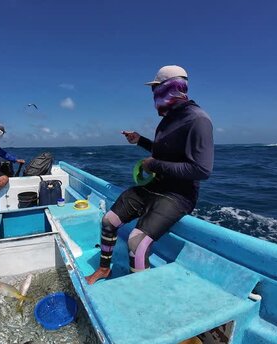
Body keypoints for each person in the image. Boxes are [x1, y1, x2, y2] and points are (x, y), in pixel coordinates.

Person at [85, 65, 214, 285]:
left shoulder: (198, 119)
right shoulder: (169, 119)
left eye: (155, 88)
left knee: (137, 242)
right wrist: (141, 141)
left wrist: (153, 164)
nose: (153, 94)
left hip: (178, 195)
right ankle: (104, 269)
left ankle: (140, 298)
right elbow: (167, 153)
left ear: (170, 87)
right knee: (108, 220)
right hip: (153, 187)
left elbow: (201, 170)